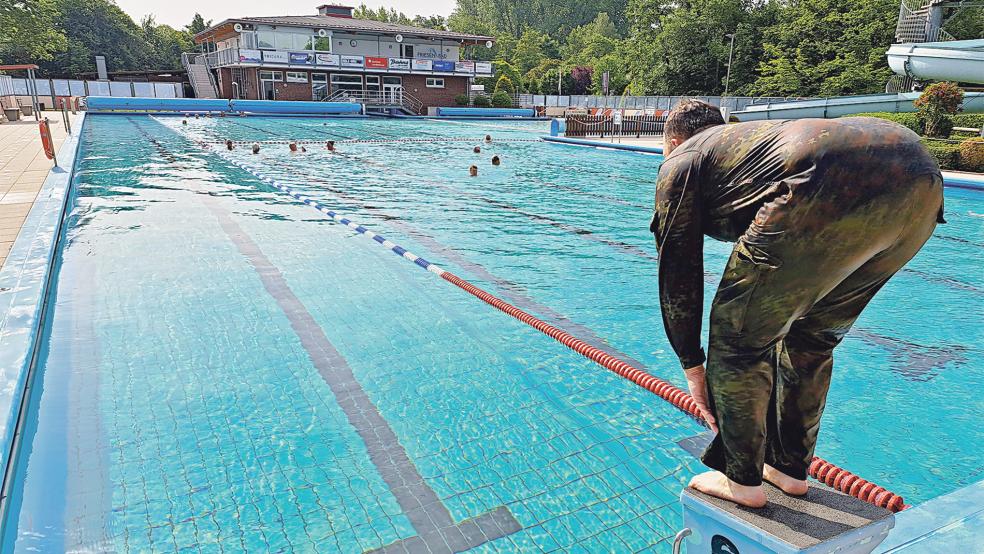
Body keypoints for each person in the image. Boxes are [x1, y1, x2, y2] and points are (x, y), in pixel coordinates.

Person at [651, 100, 942, 508]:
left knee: (737, 340)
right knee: (812, 341)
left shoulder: (682, 160)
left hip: (826, 175)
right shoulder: (741, 143)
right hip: (921, 183)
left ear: (674, 140)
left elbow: (677, 268)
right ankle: (788, 470)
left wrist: (693, 365)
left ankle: (742, 480)